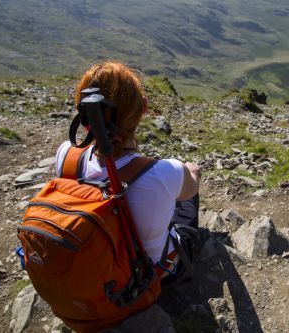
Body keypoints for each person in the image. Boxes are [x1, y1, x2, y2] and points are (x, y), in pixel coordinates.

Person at [54, 61, 201, 280]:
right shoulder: (163, 172)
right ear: (143, 108)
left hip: (91, 270)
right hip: (143, 280)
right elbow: (191, 187)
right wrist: (190, 170)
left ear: (84, 115)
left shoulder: (67, 154)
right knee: (186, 197)